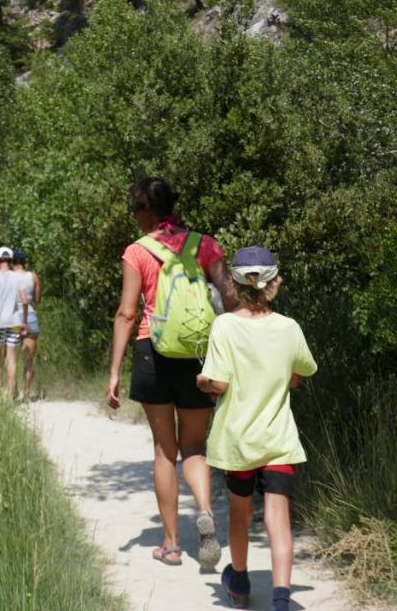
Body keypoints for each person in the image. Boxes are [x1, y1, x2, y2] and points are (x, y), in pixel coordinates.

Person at [106, 176, 235, 569]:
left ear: (147, 211)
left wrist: (113, 371)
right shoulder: (205, 244)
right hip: (199, 354)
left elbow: (128, 313)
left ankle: (172, 545)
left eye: (135, 211)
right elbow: (229, 296)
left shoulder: (137, 252)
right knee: (195, 446)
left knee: (165, 450)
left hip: (153, 351)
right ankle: (205, 512)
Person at [197, 247, 317, 611]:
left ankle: (240, 584)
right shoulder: (289, 327)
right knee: (278, 517)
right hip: (278, 440)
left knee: (240, 510)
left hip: (239, 441)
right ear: (272, 283)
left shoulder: (225, 325)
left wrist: (202, 380)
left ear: (233, 283)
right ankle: (282, 599)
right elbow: (297, 377)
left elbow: (218, 383)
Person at [0, 246, 28, 400]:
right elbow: (24, 301)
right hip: (15, 322)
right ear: (11, 260)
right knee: (12, 358)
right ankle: (11, 395)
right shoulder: (18, 277)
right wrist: (24, 322)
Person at [11, 249, 42, 401]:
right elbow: (37, 299)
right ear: (24, 262)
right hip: (30, 317)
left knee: (12, 357)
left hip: (13, 319)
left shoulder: (8, 277)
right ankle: (26, 394)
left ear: (11, 263)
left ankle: (13, 389)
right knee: (28, 359)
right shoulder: (33, 276)